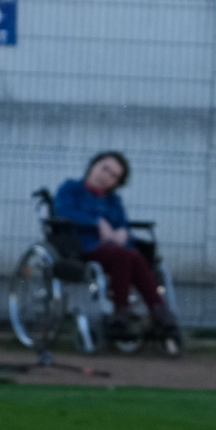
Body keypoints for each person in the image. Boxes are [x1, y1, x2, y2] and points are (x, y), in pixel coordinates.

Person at [51, 150, 181, 354]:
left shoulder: (114, 201)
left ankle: (135, 315)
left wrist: (122, 234)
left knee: (132, 255)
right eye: (105, 169)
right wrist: (97, 222)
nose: (107, 177)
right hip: (81, 248)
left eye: (114, 176)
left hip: (117, 253)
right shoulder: (71, 188)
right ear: (93, 165)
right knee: (130, 256)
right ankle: (154, 313)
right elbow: (63, 211)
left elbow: (123, 225)